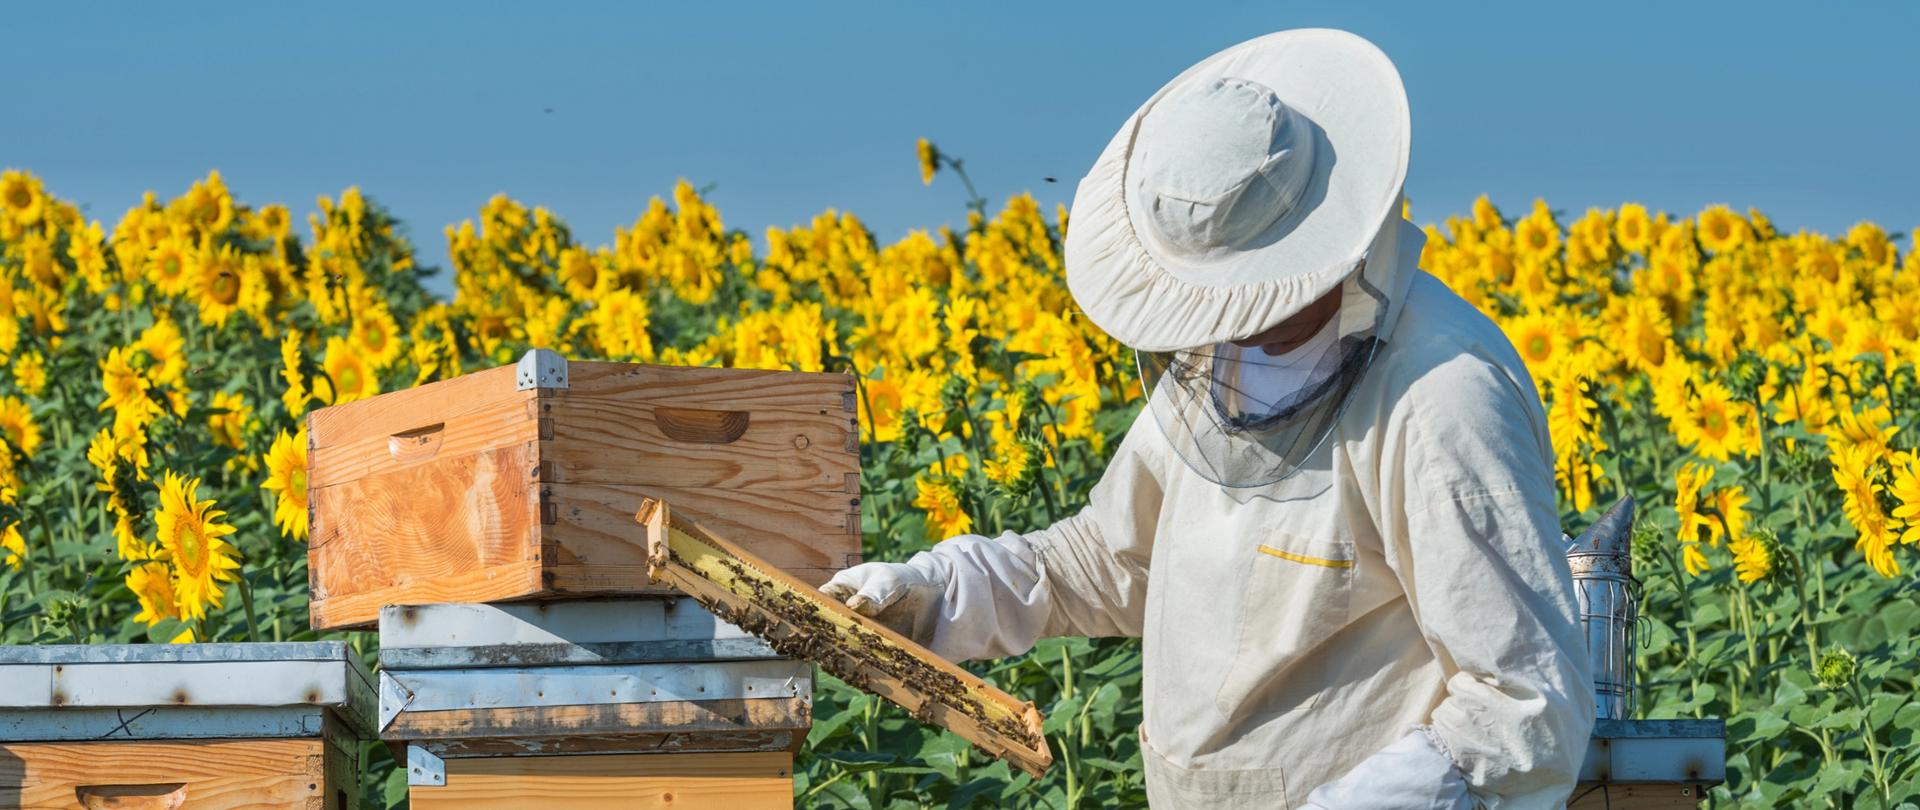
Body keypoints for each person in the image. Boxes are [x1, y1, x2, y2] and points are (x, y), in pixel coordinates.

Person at [822, 29, 1594, 809]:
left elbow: (1522, 710)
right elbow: (1111, 559)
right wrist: (933, 592)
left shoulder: (1442, 397)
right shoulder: (1221, 358)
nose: (1242, 322)